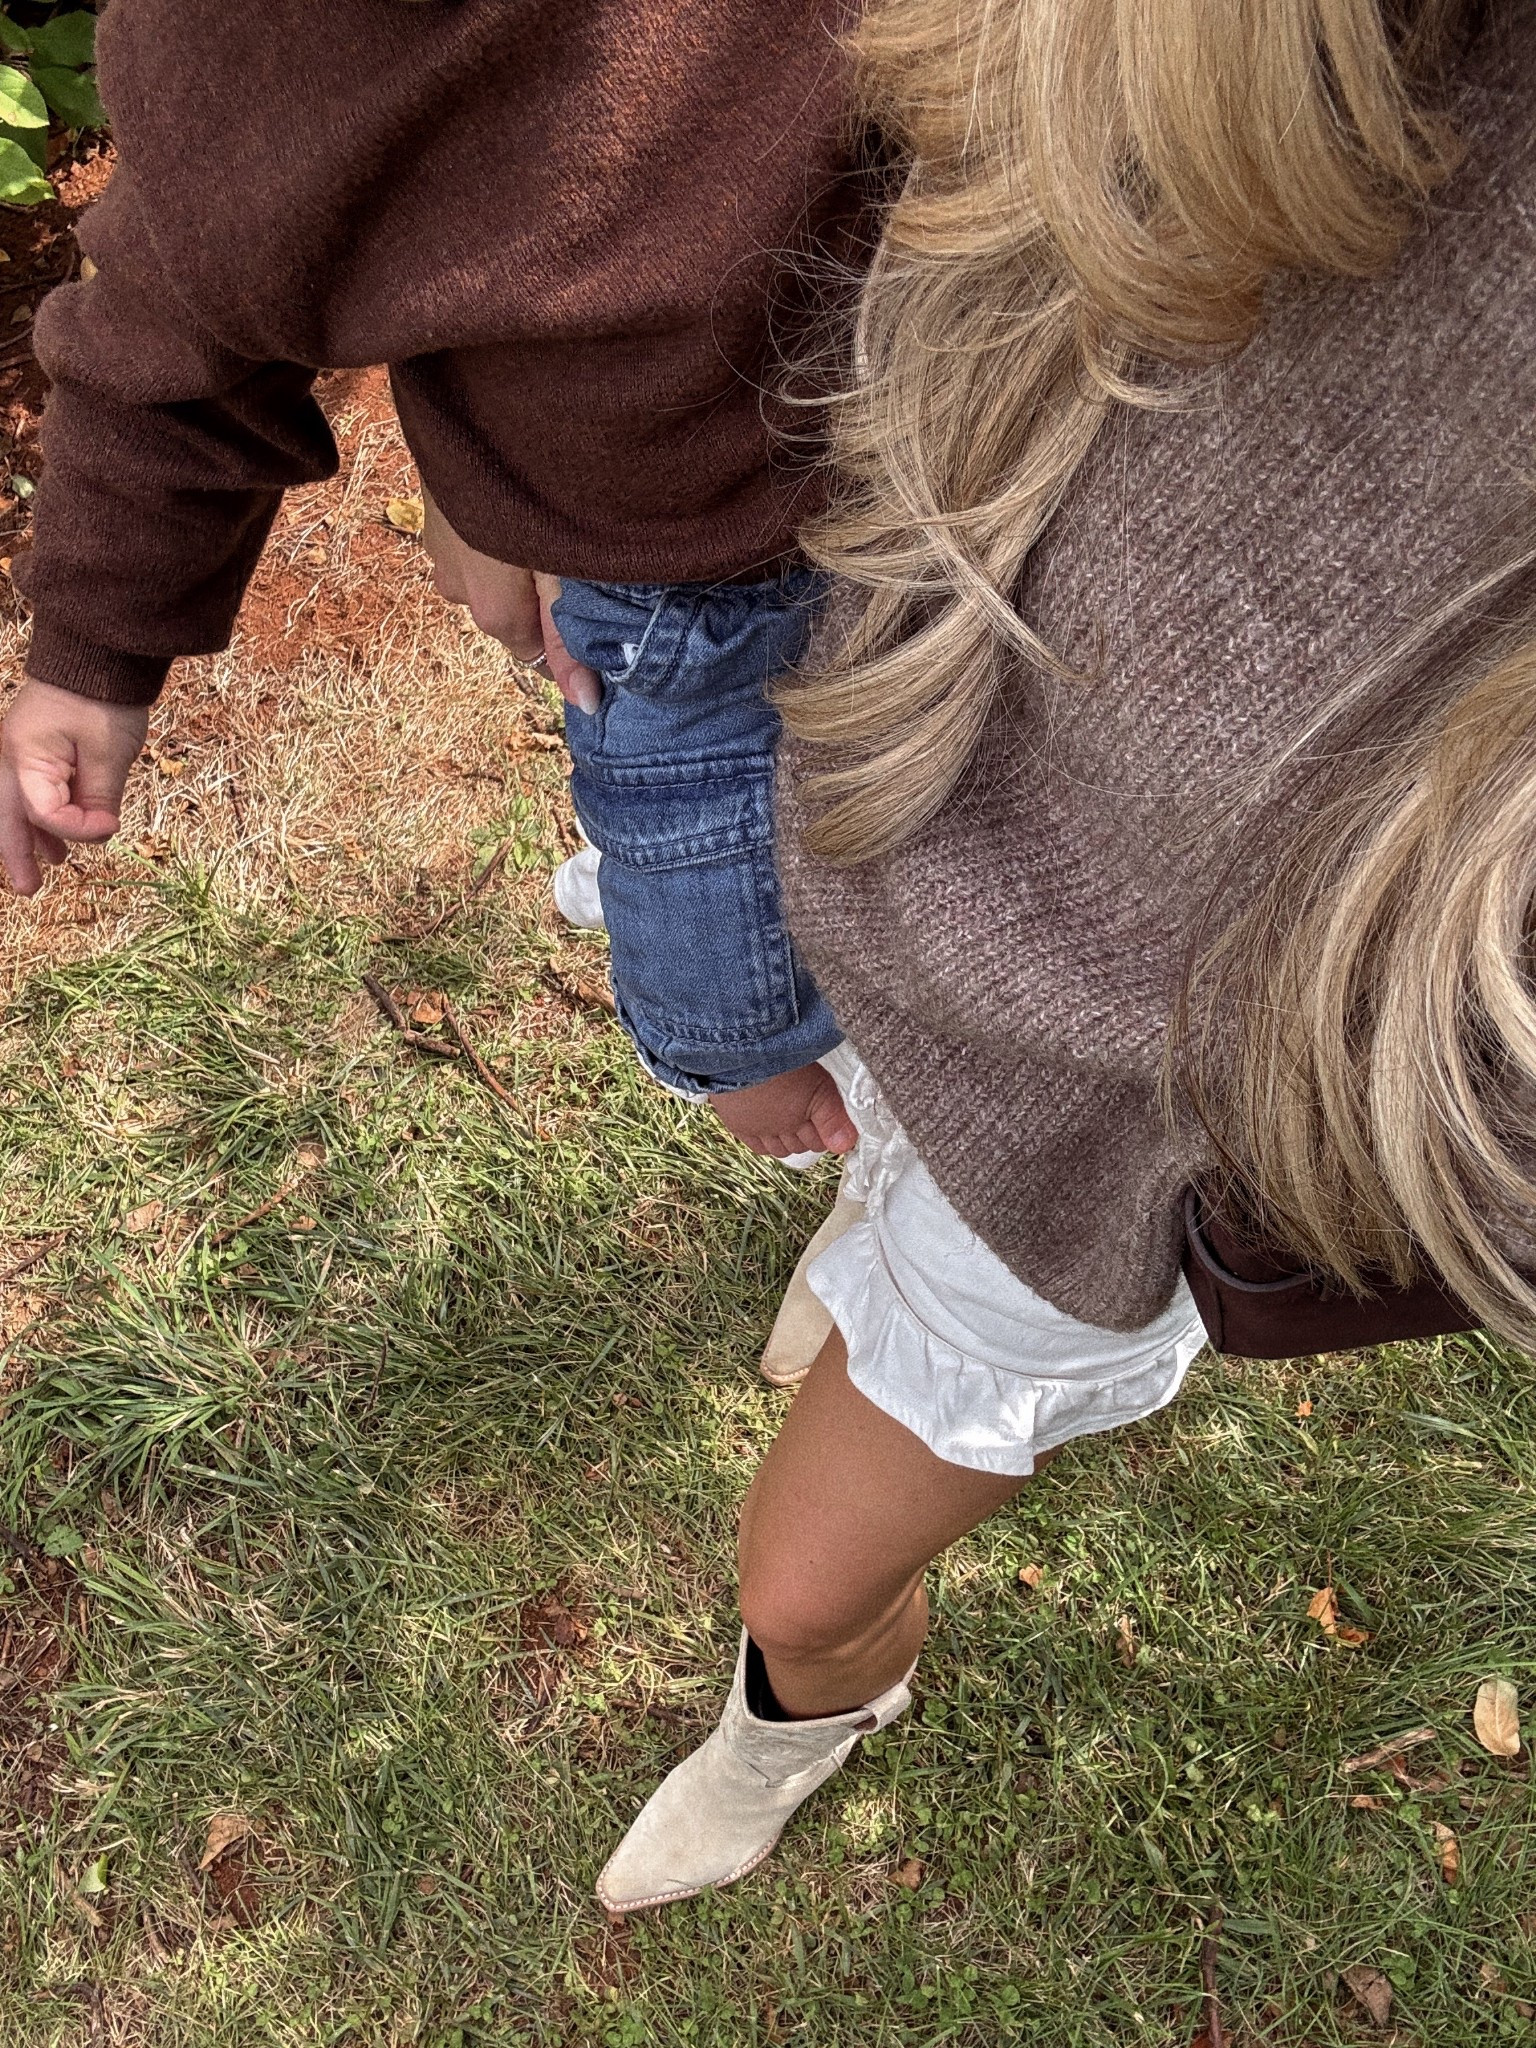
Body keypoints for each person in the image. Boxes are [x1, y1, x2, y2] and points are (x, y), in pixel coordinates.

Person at [596, 0, 1536, 1910]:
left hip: (1135, 1097)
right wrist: (531, 475)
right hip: (883, 788)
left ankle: (803, 1714)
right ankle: (868, 1246)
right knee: (832, 1132)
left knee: (800, 1577)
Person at [0, 0, 864, 1169]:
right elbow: (173, 324)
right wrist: (92, 654)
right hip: (680, 574)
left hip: (951, 458)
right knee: (695, 814)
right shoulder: (255, 42)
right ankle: (738, 1039)